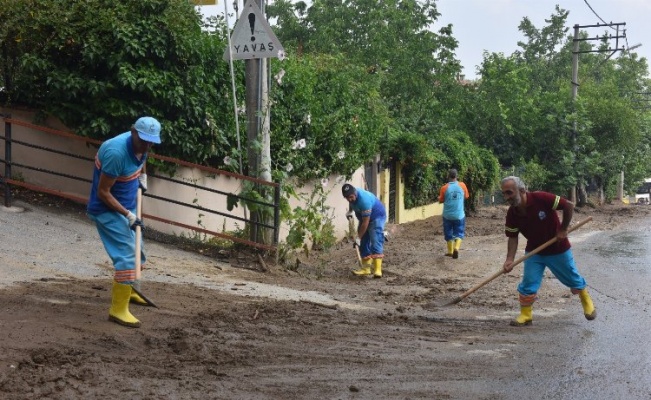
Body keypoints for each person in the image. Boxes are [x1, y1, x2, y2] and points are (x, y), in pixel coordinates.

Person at [87, 116, 162, 328]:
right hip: (107, 209)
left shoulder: (144, 145)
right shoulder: (115, 153)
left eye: (152, 142)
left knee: (139, 252)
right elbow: (103, 192)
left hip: (127, 205)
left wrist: (142, 178)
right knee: (128, 256)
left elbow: (142, 157)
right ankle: (117, 310)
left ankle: (130, 290)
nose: (147, 145)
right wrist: (128, 216)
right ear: (133, 131)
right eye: (144, 140)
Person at [500, 176, 596, 326]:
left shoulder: (541, 198)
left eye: (509, 193)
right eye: (504, 194)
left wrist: (563, 229)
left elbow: (568, 205)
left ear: (522, 190)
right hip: (534, 252)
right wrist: (509, 259)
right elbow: (512, 237)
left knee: (572, 278)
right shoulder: (512, 213)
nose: (506, 197)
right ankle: (526, 315)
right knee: (528, 283)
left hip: (558, 249)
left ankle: (585, 299)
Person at [342, 183, 387, 278]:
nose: (349, 199)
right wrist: (350, 211)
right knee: (363, 242)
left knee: (375, 240)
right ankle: (366, 269)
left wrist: (358, 237)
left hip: (376, 217)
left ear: (355, 193)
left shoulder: (364, 200)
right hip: (364, 219)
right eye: (347, 198)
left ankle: (377, 270)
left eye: (350, 197)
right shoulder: (352, 196)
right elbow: (352, 203)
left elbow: (365, 223)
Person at [438, 168, 469, 259]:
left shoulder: (444, 188)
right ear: (457, 176)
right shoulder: (462, 185)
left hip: (447, 215)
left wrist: (439, 198)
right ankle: (456, 248)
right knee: (459, 232)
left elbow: (441, 200)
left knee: (448, 233)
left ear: (448, 176)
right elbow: (466, 196)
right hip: (459, 215)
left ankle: (450, 252)